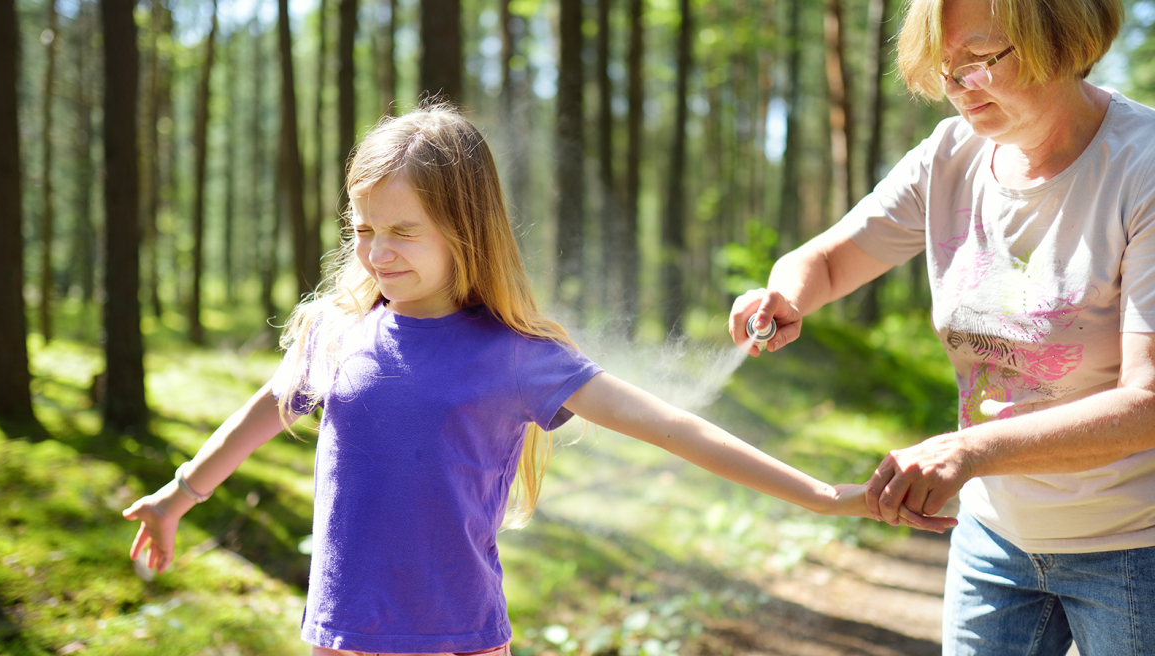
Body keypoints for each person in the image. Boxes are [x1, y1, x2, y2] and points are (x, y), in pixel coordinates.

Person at [122, 104, 953, 656]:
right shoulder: (334, 335)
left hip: (464, 642)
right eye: (365, 229)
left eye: (403, 232)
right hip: (340, 636)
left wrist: (821, 495)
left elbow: (671, 426)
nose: (378, 253)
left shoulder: (516, 357)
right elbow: (266, 410)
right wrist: (178, 494)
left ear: (464, 228)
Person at [729, 0, 1155, 652]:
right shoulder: (951, 155)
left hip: (1132, 545)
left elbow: (1145, 405)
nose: (956, 89)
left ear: (1061, 38)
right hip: (994, 538)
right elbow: (827, 258)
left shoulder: (1142, 169)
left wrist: (969, 451)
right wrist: (782, 295)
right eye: (944, 68)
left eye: (979, 62)